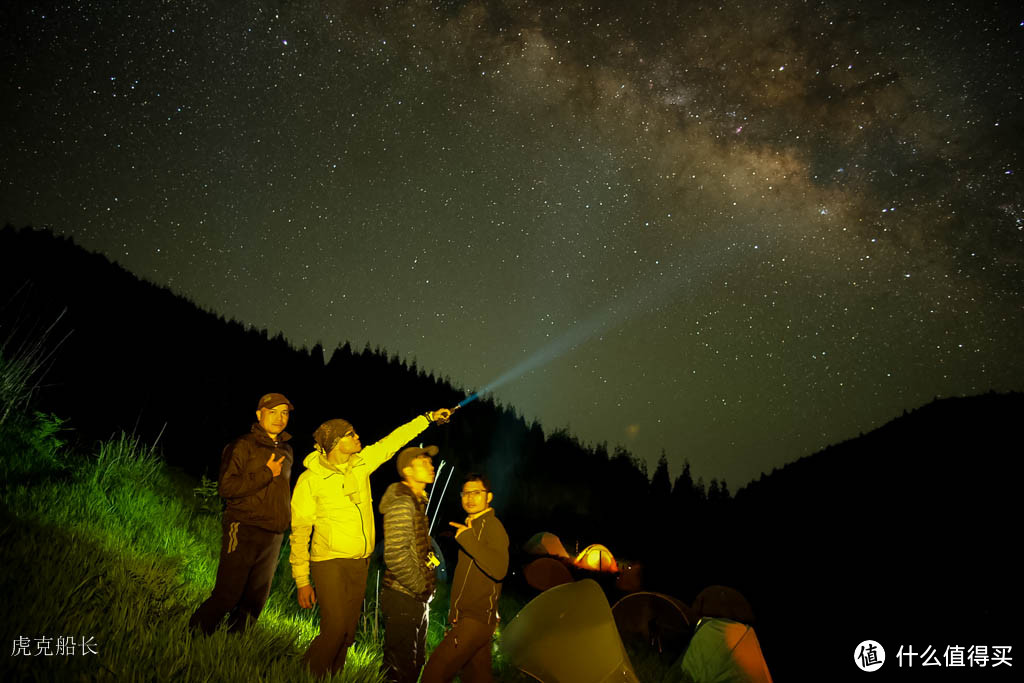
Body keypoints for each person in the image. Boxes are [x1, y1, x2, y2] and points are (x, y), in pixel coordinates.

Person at [290, 408, 453, 679]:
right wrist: (301, 579)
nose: (357, 436)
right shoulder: (311, 480)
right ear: (335, 443)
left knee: (348, 632)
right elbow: (299, 531)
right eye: (350, 434)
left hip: (360, 561)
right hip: (328, 560)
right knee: (335, 629)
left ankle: (331, 675)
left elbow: (393, 442)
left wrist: (427, 418)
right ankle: (303, 675)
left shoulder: (361, 464)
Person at [189, 392, 295, 635]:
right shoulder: (243, 445)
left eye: (284, 413)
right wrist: (266, 473)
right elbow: (226, 487)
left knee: (254, 599)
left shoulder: (288, 450)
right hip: (243, 526)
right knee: (228, 593)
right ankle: (193, 635)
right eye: (273, 412)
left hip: (273, 533)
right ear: (259, 415)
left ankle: (233, 646)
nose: (279, 418)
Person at [421, 473, 509, 683]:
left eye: (476, 493)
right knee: (476, 677)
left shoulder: (492, 526)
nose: (470, 498)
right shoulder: (472, 526)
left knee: (435, 671)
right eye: (465, 493)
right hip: (469, 618)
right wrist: (455, 614)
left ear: (489, 497)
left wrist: (468, 539)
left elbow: (499, 569)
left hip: (477, 618)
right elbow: (467, 578)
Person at [379, 445, 440, 683]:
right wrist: (421, 586)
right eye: (423, 462)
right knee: (399, 668)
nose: (431, 466)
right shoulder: (402, 503)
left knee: (413, 662)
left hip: (415, 596)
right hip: (403, 595)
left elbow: (416, 550)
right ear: (407, 470)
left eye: (430, 462)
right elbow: (395, 555)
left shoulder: (417, 502)